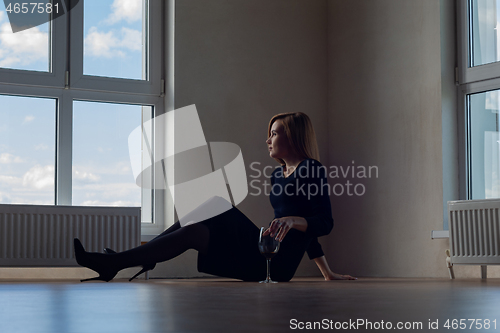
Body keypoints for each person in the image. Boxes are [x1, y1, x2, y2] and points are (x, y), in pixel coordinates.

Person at [74, 112, 355, 282]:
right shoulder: (278, 174)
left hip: (275, 264)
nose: (267, 140)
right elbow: (301, 230)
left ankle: (124, 260)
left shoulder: (311, 169)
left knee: (213, 205)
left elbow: (323, 222)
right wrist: (325, 270)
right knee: (198, 225)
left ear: (292, 138)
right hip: (263, 247)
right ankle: (124, 261)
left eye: (273, 134)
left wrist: (294, 221)